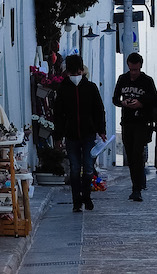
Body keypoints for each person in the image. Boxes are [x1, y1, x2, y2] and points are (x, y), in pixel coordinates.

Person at [52, 54, 107, 213]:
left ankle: (87, 196)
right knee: (75, 168)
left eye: (77, 73)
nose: (75, 76)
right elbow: (58, 115)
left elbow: (98, 111)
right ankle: (76, 201)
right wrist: (58, 137)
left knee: (88, 167)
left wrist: (101, 130)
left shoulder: (91, 88)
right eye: (72, 73)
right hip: (71, 135)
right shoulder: (63, 89)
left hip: (89, 134)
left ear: (82, 71)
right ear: (67, 73)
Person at [112, 52, 157, 202]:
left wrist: (141, 103)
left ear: (140, 67)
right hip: (127, 122)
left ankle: (136, 188)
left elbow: (155, 100)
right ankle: (137, 182)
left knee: (137, 153)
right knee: (131, 156)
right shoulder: (122, 79)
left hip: (142, 122)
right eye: (131, 70)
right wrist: (123, 103)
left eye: (136, 70)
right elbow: (115, 98)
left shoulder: (147, 81)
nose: (133, 73)